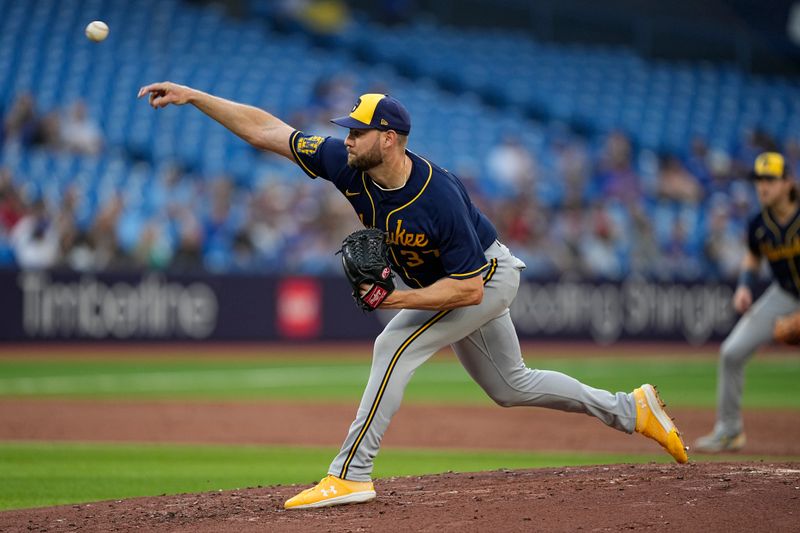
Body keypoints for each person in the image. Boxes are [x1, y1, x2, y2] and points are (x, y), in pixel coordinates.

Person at [137, 82, 689, 509]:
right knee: (511, 385)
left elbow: (470, 287)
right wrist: (195, 97)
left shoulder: (438, 194)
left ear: (390, 139)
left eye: (357, 130)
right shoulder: (346, 166)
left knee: (392, 345)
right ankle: (630, 409)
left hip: (487, 279)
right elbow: (266, 132)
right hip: (452, 285)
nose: (346, 137)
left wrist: (393, 302)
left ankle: (350, 475)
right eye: (347, 129)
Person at [695, 152, 800, 453]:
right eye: (759, 180)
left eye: (770, 179)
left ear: (787, 182)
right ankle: (729, 431)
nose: (762, 186)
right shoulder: (759, 223)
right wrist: (744, 286)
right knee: (731, 352)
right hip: (784, 294)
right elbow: (753, 257)